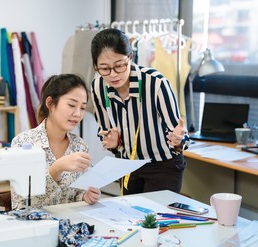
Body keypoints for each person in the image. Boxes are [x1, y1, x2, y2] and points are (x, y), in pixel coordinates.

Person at [90, 28, 190, 196]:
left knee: (154, 219)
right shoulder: (98, 87)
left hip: (162, 165)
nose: (113, 74)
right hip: (127, 164)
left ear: (130, 58)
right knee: (129, 218)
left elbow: (179, 136)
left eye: (120, 65)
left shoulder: (156, 83)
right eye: (105, 68)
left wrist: (178, 140)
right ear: (96, 66)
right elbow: (105, 130)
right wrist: (112, 143)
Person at [10, 74, 101, 210]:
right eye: (71, 105)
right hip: (35, 226)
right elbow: (21, 204)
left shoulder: (80, 146)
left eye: (82, 108)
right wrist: (56, 168)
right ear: (50, 104)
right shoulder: (22, 143)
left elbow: (76, 194)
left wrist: (85, 196)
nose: (78, 114)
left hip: (70, 224)